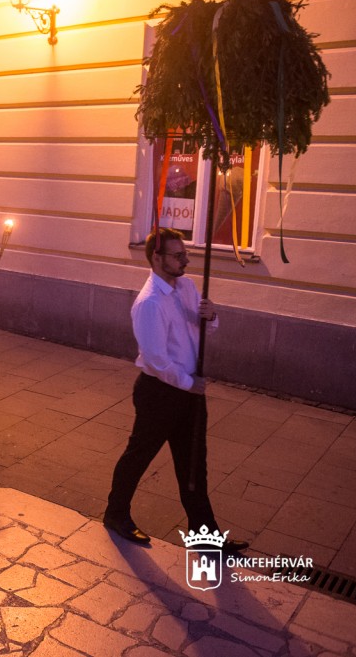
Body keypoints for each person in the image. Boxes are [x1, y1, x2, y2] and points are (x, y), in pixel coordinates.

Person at [103, 228, 248, 553]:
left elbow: (203, 327)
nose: (185, 260)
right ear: (157, 258)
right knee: (139, 456)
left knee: (194, 464)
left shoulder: (186, 287)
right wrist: (189, 384)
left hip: (189, 392)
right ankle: (116, 514)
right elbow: (156, 360)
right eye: (178, 255)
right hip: (160, 393)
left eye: (185, 253)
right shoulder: (149, 303)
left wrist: (211, 316)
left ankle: (204, 535)